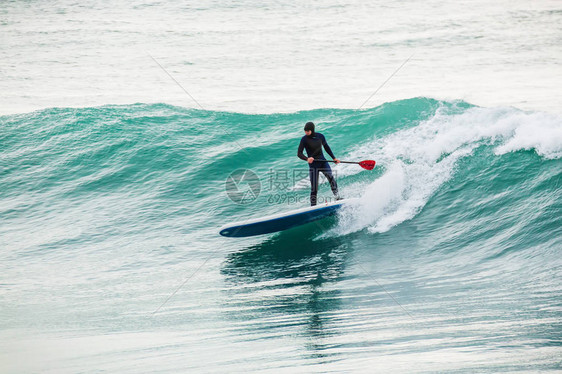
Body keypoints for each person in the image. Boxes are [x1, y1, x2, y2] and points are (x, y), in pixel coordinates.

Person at [297, 122, 341, 206]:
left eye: (308, 131)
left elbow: (326, 147)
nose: (306, 133)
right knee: (314, 188)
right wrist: (307, 158)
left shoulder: (320, 136)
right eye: (305, 131)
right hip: (313, 166)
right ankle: (313, 206)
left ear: (312, 130)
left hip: (323, 163)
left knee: (331, 178)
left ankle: (337, 197)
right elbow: (299, 153)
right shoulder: (304, 139)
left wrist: (334, 158)